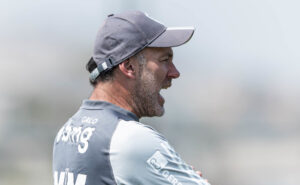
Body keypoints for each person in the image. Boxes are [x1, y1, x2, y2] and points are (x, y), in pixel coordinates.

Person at [53, 11, 210, 185]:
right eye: (164, 60)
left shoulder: (67, 131)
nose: (175, 73)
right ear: (129, 67)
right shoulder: (132, 139)